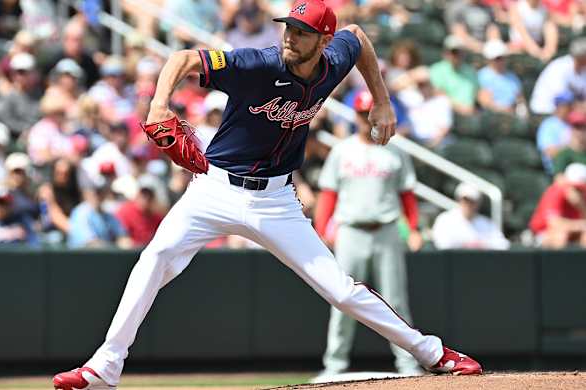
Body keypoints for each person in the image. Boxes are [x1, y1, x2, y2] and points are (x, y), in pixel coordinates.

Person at [53, 2, 482, 388]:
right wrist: (159, 105)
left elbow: (359, 36)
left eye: (302, 32)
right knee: (155, 258)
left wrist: (381, 100)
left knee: (340, 290)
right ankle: (104, 367)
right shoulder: (256, 64)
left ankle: (432, 353)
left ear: (323, 40)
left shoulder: (334, 59)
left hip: (276, 200)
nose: (290, 38)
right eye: (289, 28)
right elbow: (183, 58)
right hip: (214, 189)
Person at [314, 90, 425, 377]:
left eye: (369, 113)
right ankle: (334, 366)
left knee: (396, 301)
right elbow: (328, 193)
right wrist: (322, 226)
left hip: (386, 230)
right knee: (342, 300)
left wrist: (412, 228)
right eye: (361, 113)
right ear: (355, 115)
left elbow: (407, 196)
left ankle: (407, 365)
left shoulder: (395, 150)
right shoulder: (342, 150)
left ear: (378, 114)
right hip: (350, 230)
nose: (365, 119)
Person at [432, 183, 510, 250]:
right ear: (459, 200)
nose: (468, 205)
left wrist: (482, 245)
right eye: (466, 200)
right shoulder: (445, 220)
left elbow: (502, 244)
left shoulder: (486, 223)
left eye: (472, 201)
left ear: (478, 203)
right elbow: (441, 244)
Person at [529, 162, 586, 248]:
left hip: (574, 233)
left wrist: (581, 205)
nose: (579, 192)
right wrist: (581, 225)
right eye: (576, 188)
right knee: (561, 236)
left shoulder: (583, 197)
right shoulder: (555, 192)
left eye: (581, 189)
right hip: (543, 234)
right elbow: (555, 224)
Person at [530, 37, 586, 115]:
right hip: (545, 112)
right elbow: (560, 99)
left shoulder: (583, 70)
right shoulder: (560, 67)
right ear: (582, 57)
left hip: (567, 113)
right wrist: (581, 106)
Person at [0, 52, 42, 138]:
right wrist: (24, 129)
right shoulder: (9, 97)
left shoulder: (40, 95)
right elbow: (5, 120)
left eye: (24, 72)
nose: (21, 76)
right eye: (19, 72)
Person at [429, 36, 479, 115]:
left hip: (470, 113)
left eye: (460, 52)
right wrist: (460, 108)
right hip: (447, 113)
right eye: (454, 52)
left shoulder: (470, 71)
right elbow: (438, 94)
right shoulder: (437, 70)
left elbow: (477, 92)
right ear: (446, 53)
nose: (457, 55)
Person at [477, 40, 524, 113]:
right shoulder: (482, 76)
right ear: (489, 60)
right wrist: (503, 110)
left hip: (511, 116)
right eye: (497, 59)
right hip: (492, 116)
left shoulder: (513, 77)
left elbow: (520, 99)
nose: (500, 61)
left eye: (502, 58)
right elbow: (484, 101)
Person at [537, 91, 574, 174]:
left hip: (574, 164)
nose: (570, 108)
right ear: (558, 107)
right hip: (556, 169)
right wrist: (571, 149)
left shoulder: (574, 124)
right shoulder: (548, 124)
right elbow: (549, 152)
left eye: (570, 105)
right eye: (566, 106)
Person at [553, 110, 586, 178]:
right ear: (570, 128)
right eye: (577, 126)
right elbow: (559, 179)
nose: (580, 131)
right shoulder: (564, 154)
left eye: (583, 126)